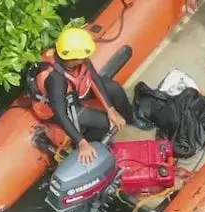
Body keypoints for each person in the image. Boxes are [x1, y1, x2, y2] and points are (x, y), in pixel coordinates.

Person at [29, 27, 135, 166]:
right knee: (105, 123)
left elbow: (94, 78)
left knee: (114, 88)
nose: (85, 58)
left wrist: (111, 109)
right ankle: (93, 144)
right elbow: (60, 113)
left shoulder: (77, 59)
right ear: (72, 58)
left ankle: (130, 119)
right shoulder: (55, 79)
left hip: (75, 91)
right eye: (82, 57)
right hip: (62, 106)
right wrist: (81, 142)